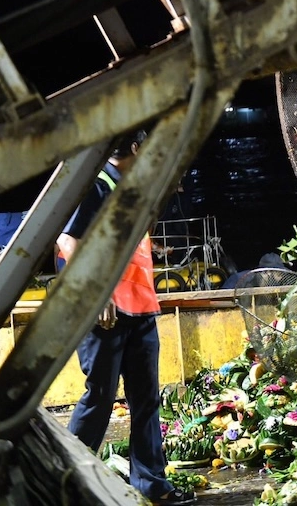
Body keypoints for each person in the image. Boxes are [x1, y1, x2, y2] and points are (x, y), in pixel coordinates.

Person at [56, 130, 196, 506]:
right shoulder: (97, 185)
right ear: (135, 148)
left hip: (141, 308)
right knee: (100, 397)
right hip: (107, 313)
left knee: (146, 400)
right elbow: (68, 242)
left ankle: (152, 484)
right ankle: (71, 481)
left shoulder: (135, 188)